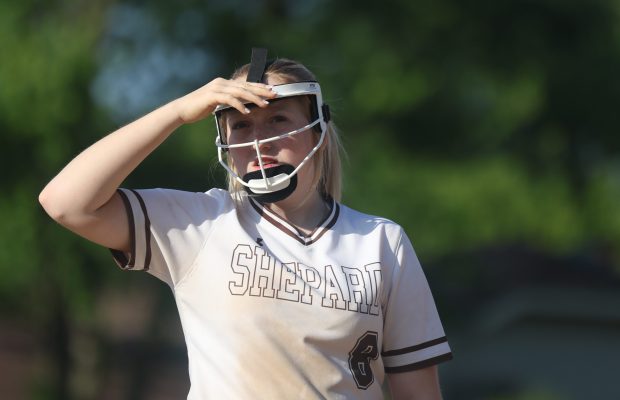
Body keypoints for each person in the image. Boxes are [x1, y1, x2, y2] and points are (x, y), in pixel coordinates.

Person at [39, 48, 453, 399]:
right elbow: (65, 203)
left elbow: (417, 392)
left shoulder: (381, 241)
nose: (259, 140)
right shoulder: (200, 224)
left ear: (318, 132)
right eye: (241, 124)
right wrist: (178, 112)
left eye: (278, 120)